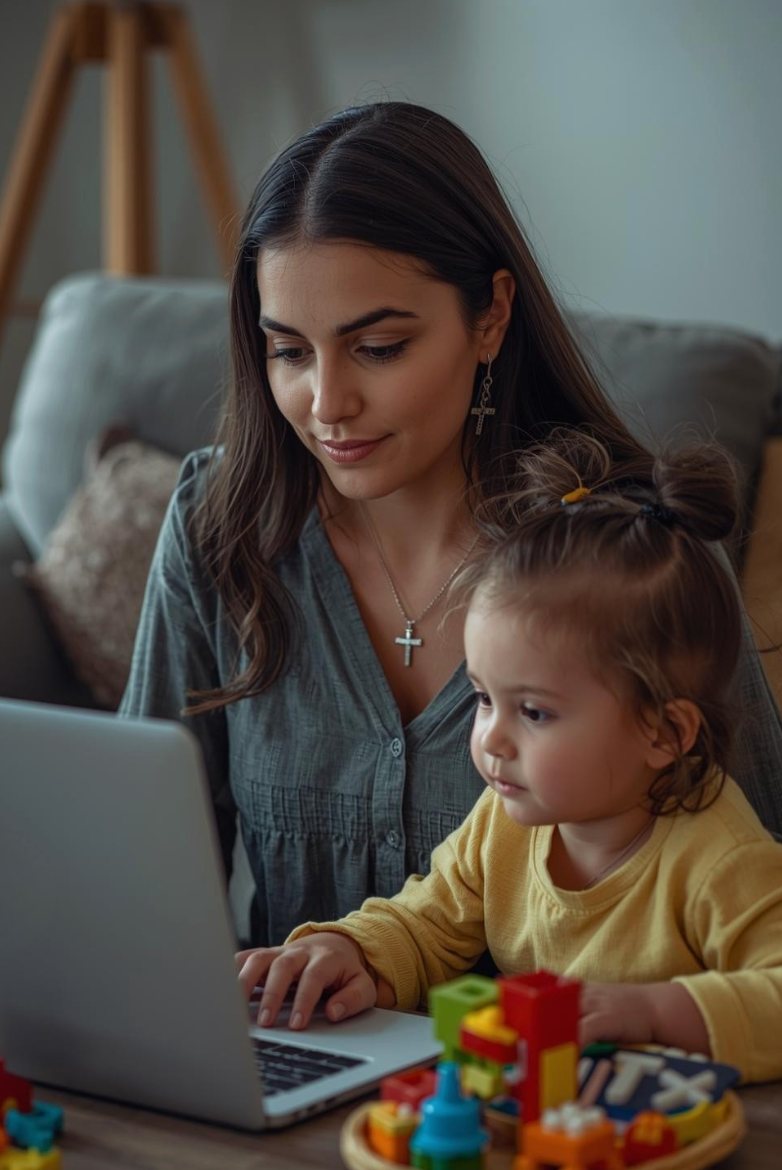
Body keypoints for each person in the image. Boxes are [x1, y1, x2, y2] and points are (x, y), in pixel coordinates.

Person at [120, 101, 782, 949]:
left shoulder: (637, 557)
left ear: (491, 317)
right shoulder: (221, 525)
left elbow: (762, 877)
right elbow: (141, 877)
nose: (326, 405)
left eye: (379, 347)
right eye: (288, 350)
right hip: (287, 1067)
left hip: (564, 1078)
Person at [236, 431, 782, 1085]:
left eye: (534, 712)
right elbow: (427, 921)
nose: (490, 738)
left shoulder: (721, 858)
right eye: (483, 699)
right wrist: (350, 949)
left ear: (664, 733)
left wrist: (653, 1012)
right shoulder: (504, 822)